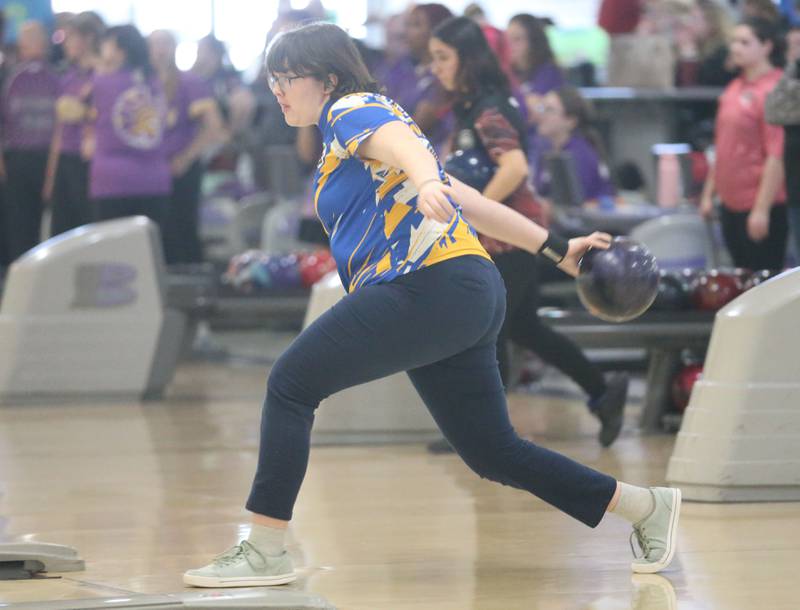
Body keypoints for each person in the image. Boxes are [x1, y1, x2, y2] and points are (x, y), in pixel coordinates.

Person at [182, 22, 681, 588]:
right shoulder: (350, 133)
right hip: (464, 289)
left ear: (325, 78)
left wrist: (423, 180)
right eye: (271, 78)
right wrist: (555, 247)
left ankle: (266, 548)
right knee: (493, 452)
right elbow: (463, 196)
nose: (276, 89)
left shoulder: (352, 109)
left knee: (291, 384)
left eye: (286, 77)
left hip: (426, 286)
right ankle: (645, 508)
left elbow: (408, 149)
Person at [429, 17, 627, 447]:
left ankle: (486, 435)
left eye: (443, 58)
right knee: (523, 328)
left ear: (469, 58)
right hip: (509, 236)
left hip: (510, 240)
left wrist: (473, 213)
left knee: (491, 330)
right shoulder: (471, 106)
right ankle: (602, 390)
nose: (435, 67)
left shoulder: (489, 107)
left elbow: (514, 167)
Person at [700, 17, 788, 271]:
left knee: (762, 287)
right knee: (740, 281)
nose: (735, 48)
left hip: (760, 205)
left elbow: (776, 154)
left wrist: (761, 210)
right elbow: (723, 146)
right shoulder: (733, 88)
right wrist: (709, 194)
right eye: (733, 42)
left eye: (744, 42)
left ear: (766, 46)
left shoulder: (774, 90)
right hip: (730, 204)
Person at [149, 30, 225, 264]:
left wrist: (186, 157)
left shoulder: (190, 83)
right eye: (155, 45)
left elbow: (215, 128)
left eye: (165, 44)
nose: (160, 50)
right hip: (148, 173)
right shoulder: (142, 83)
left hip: (180, 170)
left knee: (181, 228)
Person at [85, 25, 170, 227]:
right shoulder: (155, 83)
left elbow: (70, 107)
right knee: (148, 250)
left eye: (106, 44)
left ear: (119, 51)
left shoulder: (100, 83)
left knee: (114, 252)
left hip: (112, 182)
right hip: (154, 180)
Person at [0, 20, 58, 260]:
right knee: (17, 222)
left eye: (37, 39)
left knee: (49, 224)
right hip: (16, 158)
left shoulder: (58, 75)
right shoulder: (8, 76)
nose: (33, 45)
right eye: (27, 40)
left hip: (48, 157)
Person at [44, 11, 104, 237]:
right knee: (61, 226)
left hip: (92, 160)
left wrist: (85, 112)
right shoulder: (68, 76)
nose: (66, 43)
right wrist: (51, 174)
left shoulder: (103, 73)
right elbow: (59, 129)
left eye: (70, 37)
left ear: (87, 38)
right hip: (67, 158)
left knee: (89, 222)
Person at [375, 4, 453, 154]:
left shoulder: (441, 77)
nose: (406, 32)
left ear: (436, 30)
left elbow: (414, 128)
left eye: (416, 25)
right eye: (408, 24)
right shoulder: (402, 66)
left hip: (426, 156)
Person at [531, 87, 615, 206]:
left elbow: (572, 208)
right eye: (541, 108)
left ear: (571, 121)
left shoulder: (579, 155)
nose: (541, 115)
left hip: (594, 223)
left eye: (549, 110)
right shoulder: (548, 150)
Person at [506, 14, 564, 130]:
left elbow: (541, 113)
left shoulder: (549, 72)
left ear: (533, 41)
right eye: (507, 39)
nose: (510, 45)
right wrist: (526, 101)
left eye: (517, 39)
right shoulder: (505, 73)